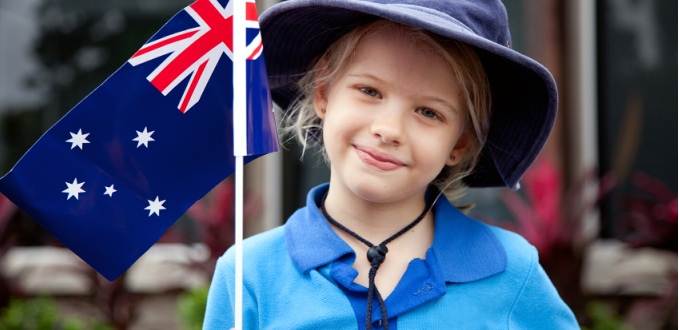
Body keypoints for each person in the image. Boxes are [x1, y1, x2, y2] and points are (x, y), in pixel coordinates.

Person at [204, 0, 579, 329]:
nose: (389, 130)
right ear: (323, 93)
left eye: (428, 112)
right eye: (369, 91)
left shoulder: (512, 272)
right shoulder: (247, 276)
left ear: (460, 143)